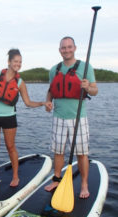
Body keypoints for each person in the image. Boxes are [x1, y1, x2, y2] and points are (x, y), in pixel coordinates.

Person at [0, 49, 49, 187]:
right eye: (16, 61)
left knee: (11, 147)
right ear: (9, 62)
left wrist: (42, 103)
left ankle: (15, 176)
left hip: (9, 118)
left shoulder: (20, 82)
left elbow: (28, 103)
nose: (18, 64)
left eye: (20, 62)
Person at [44, 36, 98, 198]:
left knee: (81, 153)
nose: (66, 50)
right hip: (59, 116)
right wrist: (48, 102)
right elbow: (51, 90)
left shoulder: (85, 67)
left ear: (74, 48)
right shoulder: (55, 69)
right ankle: (56, 179)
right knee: (58, 151)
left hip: (78, 117)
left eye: (69, 47)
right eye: (63, 47)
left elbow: (95, 91)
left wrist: (88, 87)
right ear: (60, 50)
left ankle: (84, 184)